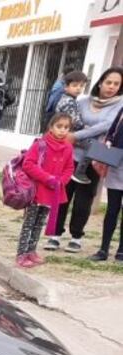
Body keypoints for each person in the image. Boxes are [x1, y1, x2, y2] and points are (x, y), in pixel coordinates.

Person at [44, 66, 123, 253]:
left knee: (83, 200)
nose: (111, 87)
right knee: (62, 195)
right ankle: (55, 234)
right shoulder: (82, 100)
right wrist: (74, 135)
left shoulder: (119, 106)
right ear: (100, 82)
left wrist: (76, 136)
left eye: (116, 84)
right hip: (70, 156)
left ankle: (76, 236)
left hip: (94, 158)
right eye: (108, 82)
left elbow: (107, 125)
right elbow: (69, 122)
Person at [16, 113, 75, 268]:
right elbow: (28, 164)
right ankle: (21, 254)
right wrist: (47, 178)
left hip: (53, 193)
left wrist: (61, 181)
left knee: (39, 223)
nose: (62, 130)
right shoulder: (40, 144)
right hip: (37, 191)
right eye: (59, 126)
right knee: (29, 223)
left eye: (66, 128)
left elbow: (69, 167)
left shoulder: (68, 147)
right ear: (51, 127)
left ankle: (31, 251)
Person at [91, 105, 123, 262]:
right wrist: (109, 141)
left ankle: (121, 251)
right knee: (112, 209)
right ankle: (103, 249)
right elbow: (111, 132)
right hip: (117, 163)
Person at [50, 71, 91, 184]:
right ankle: (79, 172)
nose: (78, 88)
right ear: (66, 87)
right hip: (68, 134)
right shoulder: (69, 101)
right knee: (92, 146)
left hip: (66, 133)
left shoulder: (69, 99)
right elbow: (73, 120)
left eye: (81, 86)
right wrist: (85, 127)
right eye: (74, 85)